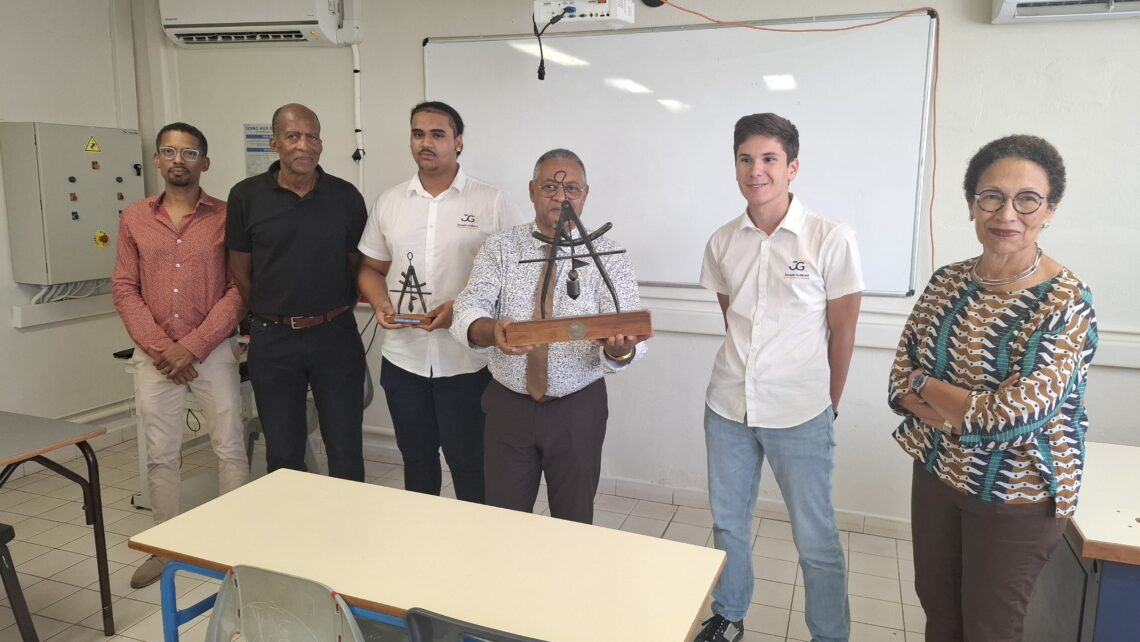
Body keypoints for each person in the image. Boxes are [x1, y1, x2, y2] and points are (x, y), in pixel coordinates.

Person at [888, 135, 1097, 642]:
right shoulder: (946, 283)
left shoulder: (1064, 301)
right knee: (939, 610)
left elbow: (1012, 420)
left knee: (990, 629)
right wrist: (953, 399)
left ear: (1049, 210)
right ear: (971, 204)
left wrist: (931, 387)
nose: (1007, 213)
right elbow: (898, 381)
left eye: (1027, 199)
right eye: (991, 197)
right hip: (938, 471)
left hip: (1016, 493)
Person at [695, 113, 863, 642]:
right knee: (728, 523)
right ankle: (729, 615)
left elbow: (843, 330)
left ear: (792, 167)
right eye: (745, 159)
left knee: (816, 539)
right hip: (728, 406)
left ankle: (829, 634)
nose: (756, 170)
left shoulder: (830, 238)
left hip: (801, 411)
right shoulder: (723, 241)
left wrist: (829, 403)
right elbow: (734, 320)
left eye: (769, 159)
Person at [450, 148, 651, 524]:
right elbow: (467, 309)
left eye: (571, 188)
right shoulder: (501, 248)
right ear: (531, 191)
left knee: (573, 522)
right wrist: (492, 331)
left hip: (578, 408)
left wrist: (620, 350)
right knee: (505, 521)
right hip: (509, 406)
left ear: (585, 194)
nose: (561, 197)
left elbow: (631, 337)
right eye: (549, 187)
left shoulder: (609, 255)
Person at [357, 101, 523, 502]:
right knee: (416, 461)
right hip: (404, 359)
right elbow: (370, 269)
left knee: (470, 463)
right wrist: (379, 303)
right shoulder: (390, 201)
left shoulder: (492, 202)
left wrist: (461, 311)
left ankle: (473, 538)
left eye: (437, 134)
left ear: (458, 142)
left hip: (467, 363)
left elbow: (520, 279)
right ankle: (423, 537)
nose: (425, 143)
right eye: (418, 134)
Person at [112, 122, 249, 588]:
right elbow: (124, 287)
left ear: (204, 163)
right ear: (156, 160)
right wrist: (161, 348)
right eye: (169, 152)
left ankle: (234, 550)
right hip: (154, 356)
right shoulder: (134, 217)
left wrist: (191, 346)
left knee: (229, 447)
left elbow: (238, 290)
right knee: (160, 453)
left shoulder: (227, 217)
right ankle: (163, 548)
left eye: (189, 153)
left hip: (212, 350)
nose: (178, 160)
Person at [226, 103, 368, 482]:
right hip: (273, 340)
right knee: (284, 453)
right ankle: (292, 520)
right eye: (293, 136)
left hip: (335, 336)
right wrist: (272, 311)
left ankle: (351, 520)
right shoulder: (245, 197)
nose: (304, 145)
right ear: (274, 143)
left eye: (312, 136)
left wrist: (333, 310)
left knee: (345, 448)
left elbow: (358, 266)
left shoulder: (346, 197)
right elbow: (239, 269)